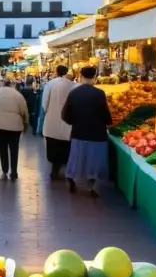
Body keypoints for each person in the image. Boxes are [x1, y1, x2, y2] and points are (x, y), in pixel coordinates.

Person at [62, 65, 112, 197]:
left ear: (81, 76)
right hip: (97, 134)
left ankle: (71, 177)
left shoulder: (73, 93)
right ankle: (94, 187)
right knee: (95, 160)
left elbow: (65, 114)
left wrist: (74, 122)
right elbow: (105, 114)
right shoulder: (99, 94)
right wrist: (108, 122)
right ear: (94, 77)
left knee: (77, 157)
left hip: (78, 132)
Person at [0, 79, 28, 180]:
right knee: (14, 149)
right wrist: (26, 122)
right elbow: (24, 110)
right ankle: (14, 171)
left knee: (2, 147)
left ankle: (5, 169)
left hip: (0, 126)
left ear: (2, 84)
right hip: (15, 126)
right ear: (12, 85)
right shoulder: (18, 95)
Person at [41, 66, 77, 180]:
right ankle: (64, 167)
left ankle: (54, 168)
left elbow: (44, 103)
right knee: (65, 146)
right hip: (68, 122)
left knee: (52, 145)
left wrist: (49, 112)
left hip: (52, 121)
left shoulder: (50, 84)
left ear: (56, 72)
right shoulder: (73, 85)